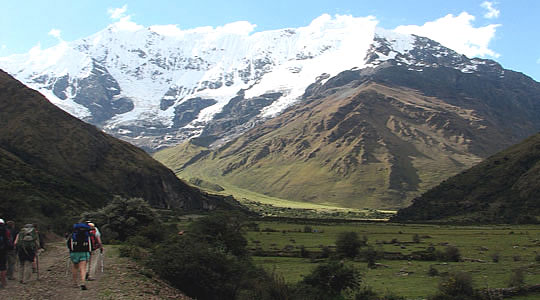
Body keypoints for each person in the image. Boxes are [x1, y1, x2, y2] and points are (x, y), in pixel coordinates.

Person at [67, 223, 92, 290]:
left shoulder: (73, 235)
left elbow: (68, 244)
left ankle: (75, 283)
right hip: (84, 252)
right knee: (83, 268)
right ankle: (83, 283)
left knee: (75, 267)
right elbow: (90, 245)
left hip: (74, 252)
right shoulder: (87, 235)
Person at [0, 218, 13, 288]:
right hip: (3, 250)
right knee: (3, 267)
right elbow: (9, 241)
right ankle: (3, 283)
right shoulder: (5, 230)